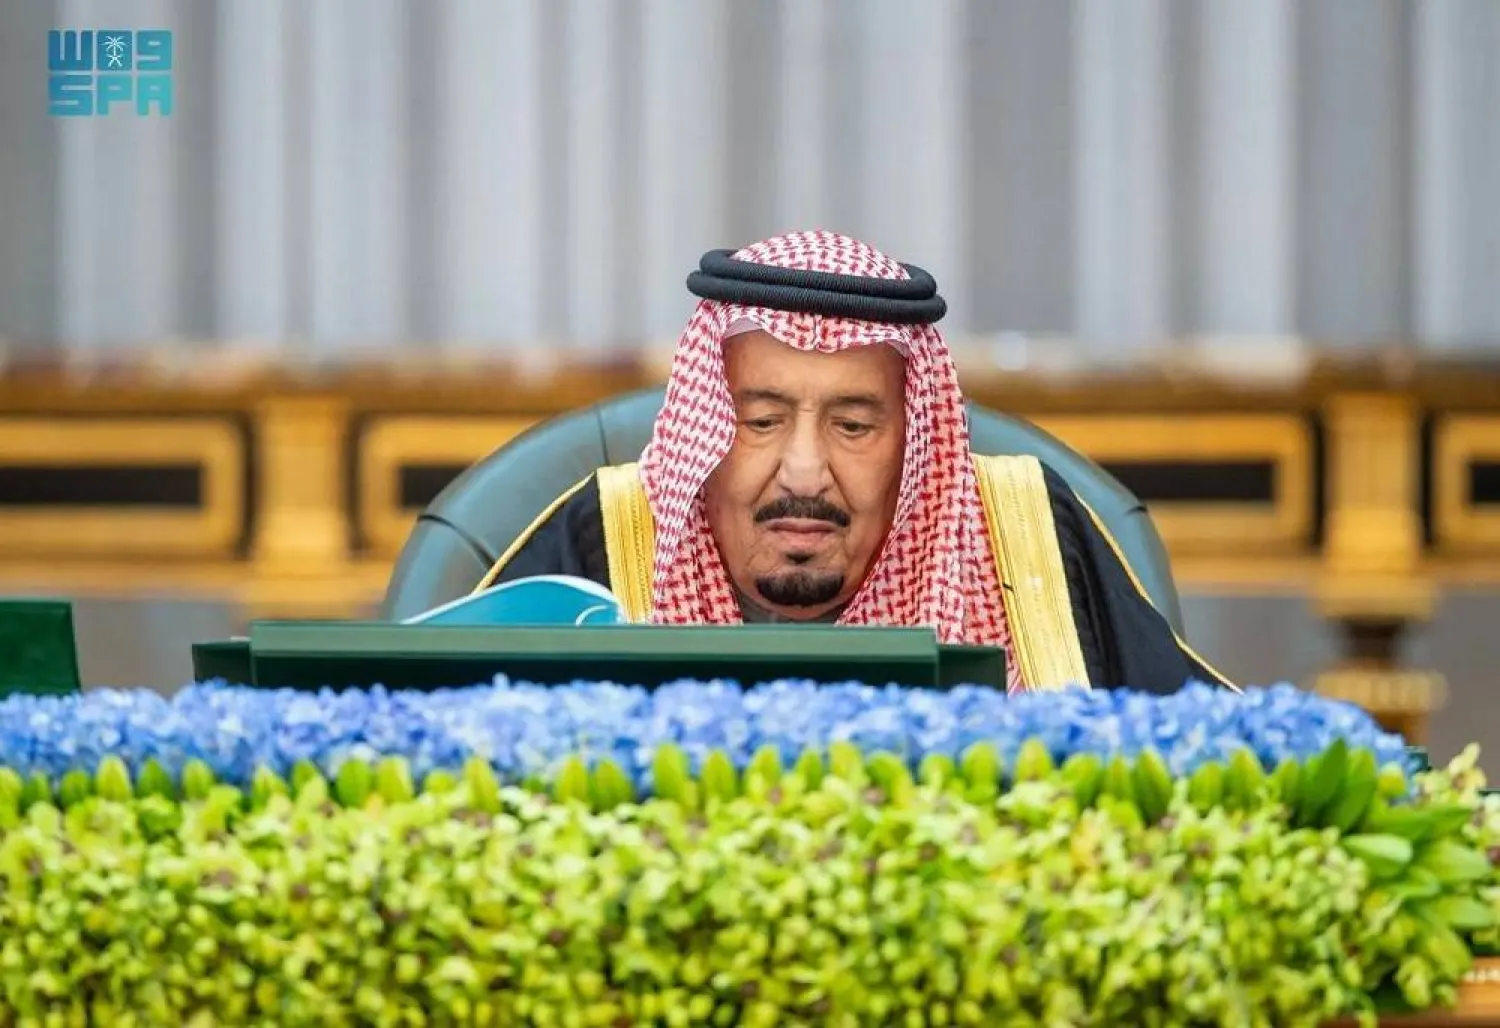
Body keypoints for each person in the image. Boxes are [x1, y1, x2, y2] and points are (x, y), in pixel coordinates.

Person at [473, 230, 1234, 695]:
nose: (804, 472)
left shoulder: (1025, 530)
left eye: (854, 425)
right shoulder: (605, 540)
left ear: (914, 444)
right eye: (761, 421)